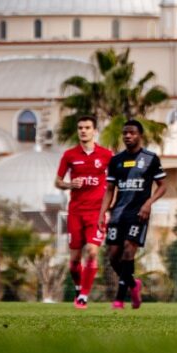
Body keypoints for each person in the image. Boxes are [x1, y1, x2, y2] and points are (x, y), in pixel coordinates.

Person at [99, 119, 167, 310]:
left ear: (140, 135)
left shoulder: (150, 158)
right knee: (113, 257)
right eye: (125, 133)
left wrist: (148, 203)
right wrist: (102, 213)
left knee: (129, 249)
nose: (128, 136)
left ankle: (119, 299)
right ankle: (132, 285)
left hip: (138, 214)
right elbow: (110, 189)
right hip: (118, 214)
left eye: (132, 133)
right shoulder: (116, 160)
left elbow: (163, 186)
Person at [54, 114, 113, 309]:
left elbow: (115, 183)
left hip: (96, 212)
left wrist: (110, 207)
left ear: (95, 131)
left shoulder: (106, 155)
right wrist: (70, 184)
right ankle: (79, 286)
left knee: (92, 252)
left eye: (87, 127)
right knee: (73, 261)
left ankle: (83, 297)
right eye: (80, 127)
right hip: (75, 212)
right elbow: (58, 181)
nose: (83, 131)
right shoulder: (70, 155)